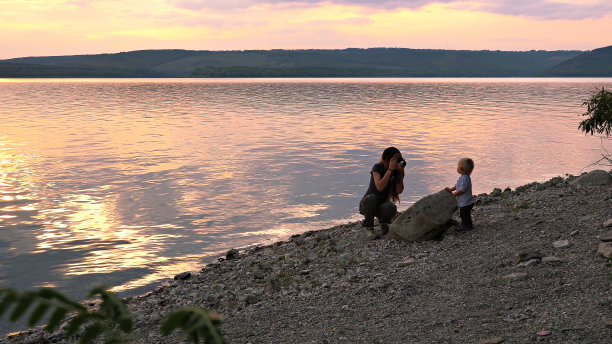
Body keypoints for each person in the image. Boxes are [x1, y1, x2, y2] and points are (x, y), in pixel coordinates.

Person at [359, 147, 405, 238]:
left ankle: (383, 223)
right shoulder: (377, 167)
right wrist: (390, 170)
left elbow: (399, 191)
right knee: (372, 198)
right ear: (388, 159)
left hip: (382, 204)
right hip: (367, 204)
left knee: (391, 207)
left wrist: (400, 174)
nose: (399, 161)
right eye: (397, 159)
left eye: (401, 159)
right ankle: (369, 228)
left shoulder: (396, 171)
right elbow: (380, 187)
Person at [445, 158, 475, 231]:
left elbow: (462, 189)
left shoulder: (464, 178)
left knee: (464, 215)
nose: (457, 168)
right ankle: (469, 225)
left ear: (460, 169)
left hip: (466, 202)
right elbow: (457, 186)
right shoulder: (464, 177)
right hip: (467, 201)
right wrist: (451, 189)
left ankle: (465, 226)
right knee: (466, 214)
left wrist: (454, 194)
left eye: (458, 166)